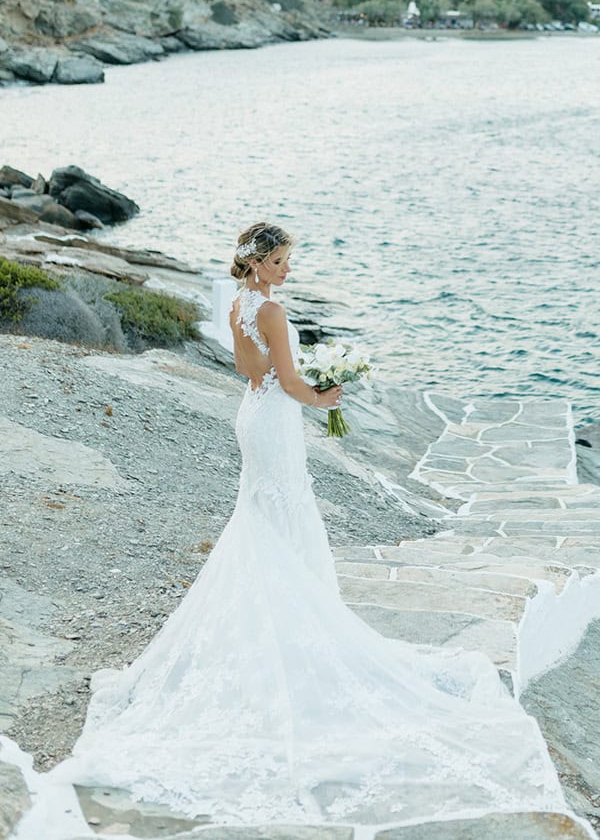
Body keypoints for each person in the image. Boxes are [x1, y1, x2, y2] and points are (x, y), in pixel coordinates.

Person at [20, 223, 566, 835]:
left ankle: (274, 620)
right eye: (278, 261)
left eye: (287, 261)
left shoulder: (239, 305)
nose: (286, 270)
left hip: (252, 416)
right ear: (256, 264)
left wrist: (303, 387)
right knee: (284, 513)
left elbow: (248, 373)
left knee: (263, 516)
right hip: (276, 421)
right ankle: (297, 625)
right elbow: (292, 383)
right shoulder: (272, 310)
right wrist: (330, 397)